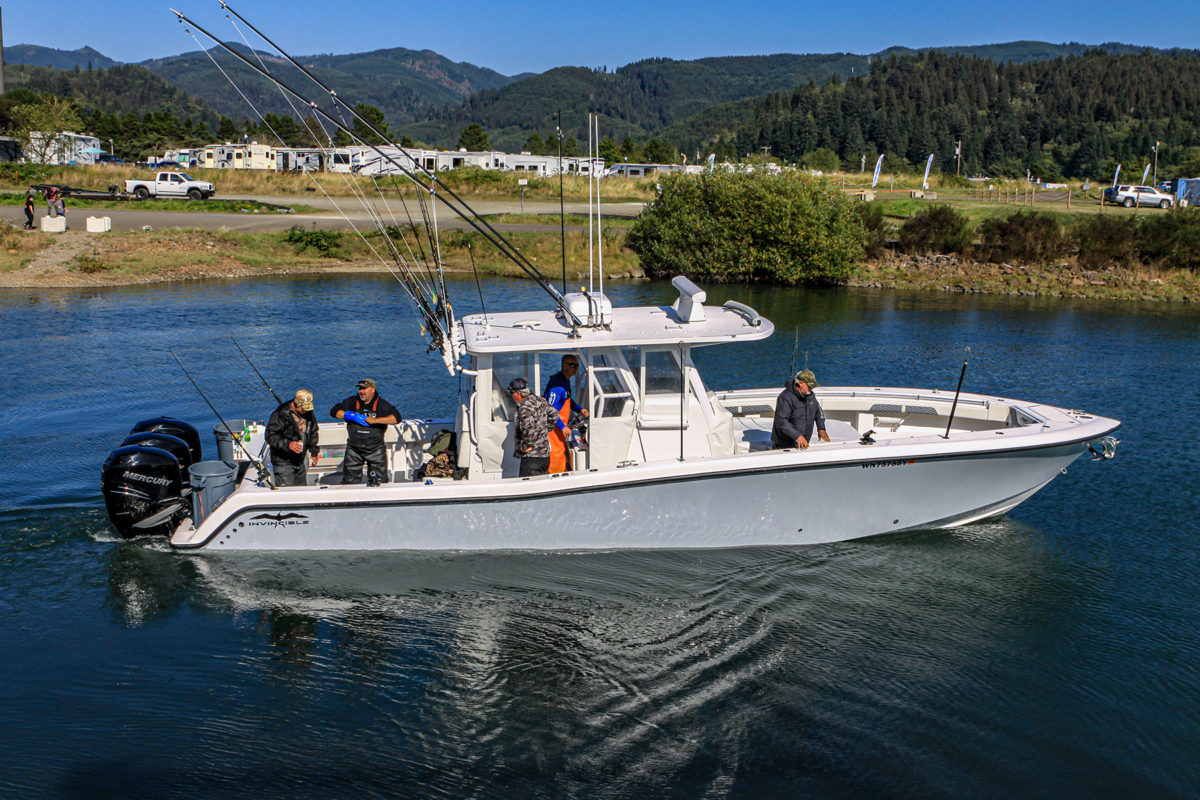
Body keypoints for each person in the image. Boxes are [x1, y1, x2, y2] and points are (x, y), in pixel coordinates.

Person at [330, 379, 400, 485]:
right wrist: (352, 416)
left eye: (364, 389)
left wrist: (376, 420)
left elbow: (396, 418)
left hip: (375, 449)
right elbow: (334, 412)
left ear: (372, 390)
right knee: (350, 482)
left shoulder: (382, 404)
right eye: (360, 389)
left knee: (379, 482)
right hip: (354, 449)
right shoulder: (352, 402)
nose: (361, 391)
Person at [543, 354, 589, 473]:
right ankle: (555, 477)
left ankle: (562, 471)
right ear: (564, 366)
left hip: (561, 426)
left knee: (562, 450)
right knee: (556, 453)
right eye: (572, 365)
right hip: (553, 427)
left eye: (577, 365)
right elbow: (550, 409)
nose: (575, 368)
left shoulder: (565, 381)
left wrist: (579, 409)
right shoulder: (557, 385)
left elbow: (567, 400)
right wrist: (562, 426)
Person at [266, 389, 320, 487]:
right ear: (297, 403)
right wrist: (288, 444)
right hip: (283, 462)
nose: (306, 411)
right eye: (304, 408)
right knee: (288, 493)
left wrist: (314, 451)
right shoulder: (280, 414)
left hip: (299, 460)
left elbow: (312, 431)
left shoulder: (308, 413)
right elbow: (270, 435)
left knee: (302, 491)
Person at [508, 377, 558, 477]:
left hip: (532, 458)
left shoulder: (524, 407)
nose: (511, 396)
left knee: (526, 487)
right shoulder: (540, 400)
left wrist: (525, 446)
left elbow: (528, 428)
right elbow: (554, 413)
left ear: (518, 393)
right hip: (544, 456)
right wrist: (547, 428)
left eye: (511, 393)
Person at [771, 369, 830, 450]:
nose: (811, 389)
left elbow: (818, 411)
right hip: (784, 445)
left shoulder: (810, 396)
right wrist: (797, 436)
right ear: (801, 383)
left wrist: (821, 428)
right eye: (809, 386)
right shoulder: (785, 398)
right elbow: (781, 421)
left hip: (803, 442)